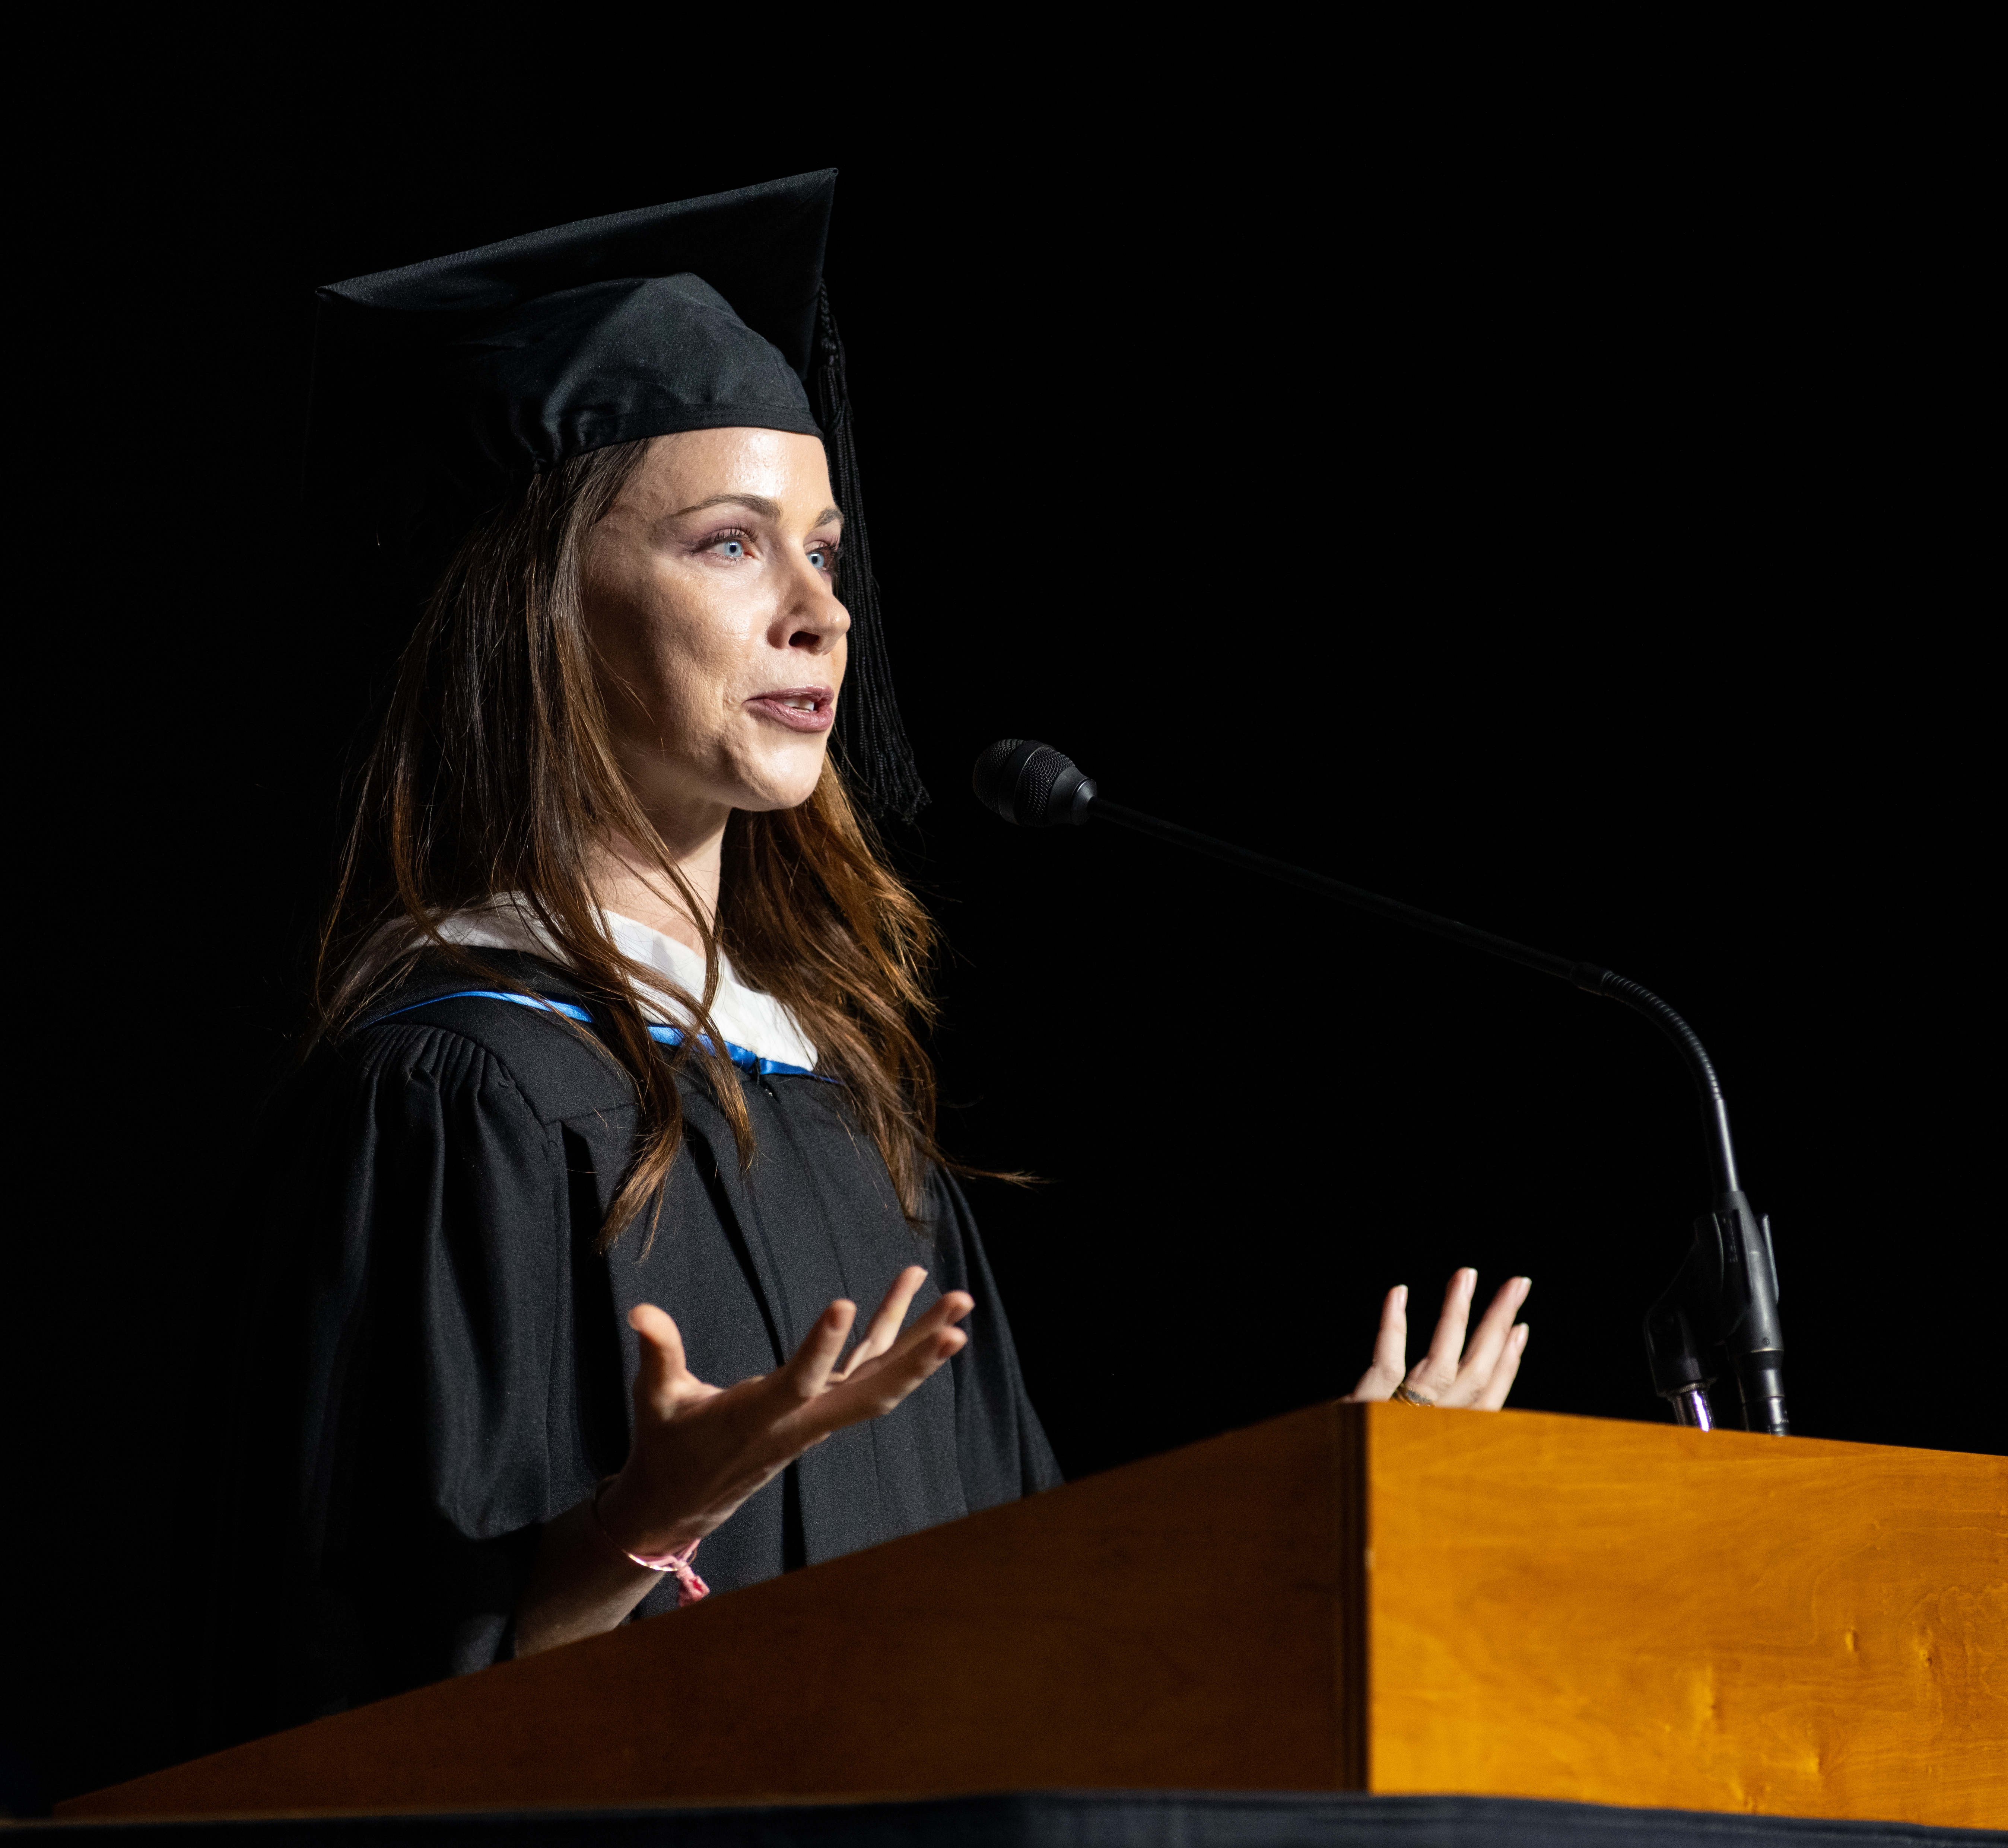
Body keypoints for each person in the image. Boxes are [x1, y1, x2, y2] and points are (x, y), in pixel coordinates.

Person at [204, 171, 1531, 1747]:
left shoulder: (848, 1115)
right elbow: (359, 1716)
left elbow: (1014, 1619)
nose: (819, 613)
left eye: (827, 552)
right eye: (728, 544)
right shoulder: (459, 1095)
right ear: (538, 609)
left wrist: (1284, 1515)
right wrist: (649, 1518)